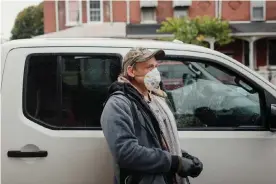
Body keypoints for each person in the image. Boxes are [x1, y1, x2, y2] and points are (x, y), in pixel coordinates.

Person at [101, 47, 203, 184]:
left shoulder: (156, 98)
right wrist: (174, 162)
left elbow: (159, 140)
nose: (155, 72)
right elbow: (126, 153)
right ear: (131, 71)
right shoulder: (119, 104)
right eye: (149, 67)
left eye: (155, 67)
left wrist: (182, 156)